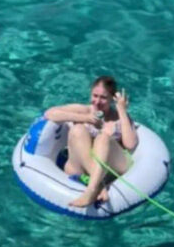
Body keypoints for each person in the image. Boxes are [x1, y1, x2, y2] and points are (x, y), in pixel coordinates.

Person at [44, 75, 138, 208]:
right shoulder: (84, 110)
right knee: (77, 129)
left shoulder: (119, 118)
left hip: (110, 170)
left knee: (103, 138)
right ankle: (97, 184)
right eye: (95, 95)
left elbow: (130, 144)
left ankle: (92, 187)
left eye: (103, 97)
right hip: (80, 169)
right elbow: (50, 113)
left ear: (112, 98)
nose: (97, 101)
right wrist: (85, 118)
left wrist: (122, 110)